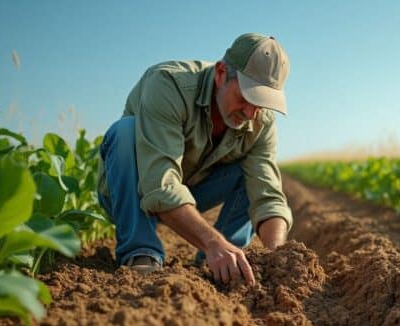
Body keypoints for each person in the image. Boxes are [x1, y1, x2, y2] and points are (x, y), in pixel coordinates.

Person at [96, 33, 292, 286]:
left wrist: (278, 256)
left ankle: (223, 263)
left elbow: (267, 195)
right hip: (130, 190)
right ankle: (140, 253)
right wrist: (212, 241)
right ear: (221, 73)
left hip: (190, 190)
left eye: (262, 104)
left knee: (253, 174)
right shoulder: (169, 84)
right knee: (125, 131)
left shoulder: (259, 121)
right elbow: (160, 183)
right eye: (246, 98)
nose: (250, 113)